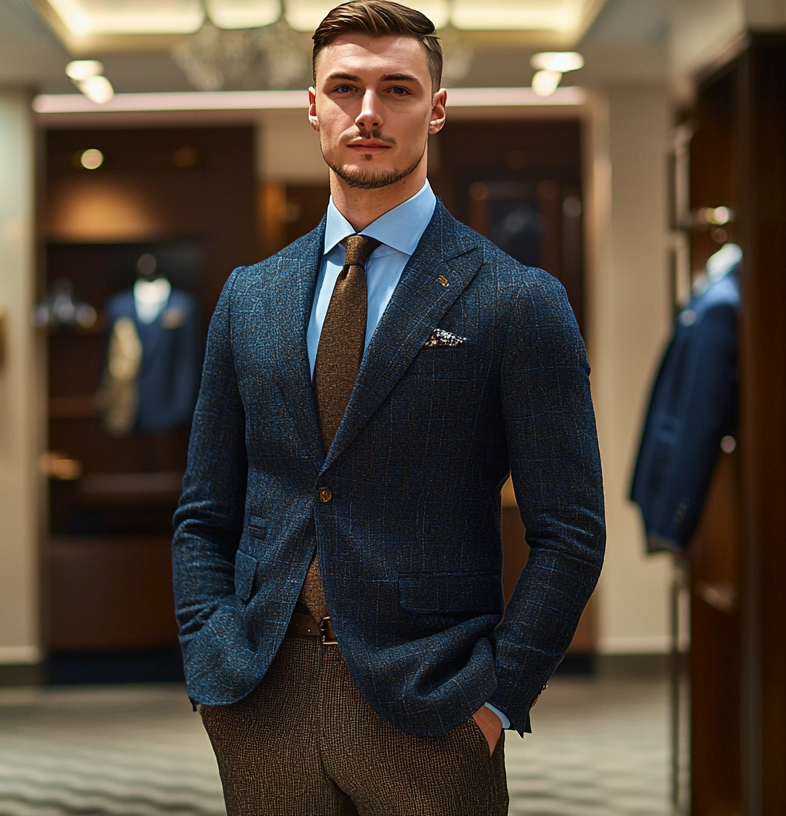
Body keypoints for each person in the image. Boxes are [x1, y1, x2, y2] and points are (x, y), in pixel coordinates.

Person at [171, 2, 605, 813]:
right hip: (263, 702)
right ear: (311, 106)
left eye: (396, 89)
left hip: (434, 710)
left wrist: (495, 702)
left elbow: (571, 533)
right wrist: (212, 661)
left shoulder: (517, 301)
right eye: (344, 88)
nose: (368, 112)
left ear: (436, 108)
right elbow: (204, 511)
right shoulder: (250, 296)